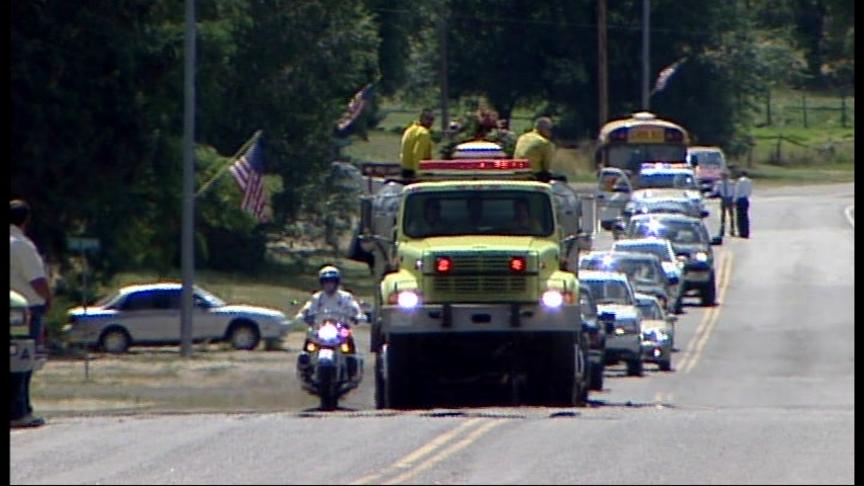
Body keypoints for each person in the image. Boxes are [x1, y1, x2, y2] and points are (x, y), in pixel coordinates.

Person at [10, 199, 51, 428]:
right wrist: (48, 299)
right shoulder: (21, 245)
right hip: (26, 309)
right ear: (26, 219)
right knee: (25, 360)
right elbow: (36, 279)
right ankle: (21, 410)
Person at [296, 266, 367, 326]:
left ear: (337, 283)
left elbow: (354, 309)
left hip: (341, 328)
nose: (329, 284)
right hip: (320, 328)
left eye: (332, 281)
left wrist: (358, 316)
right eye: (326, 281)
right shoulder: (317, 297)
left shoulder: (345, 296)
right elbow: (307, 309)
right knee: (309, 340)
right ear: (322, 283)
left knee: (349, 339)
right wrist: (302, 316)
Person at [514, 117, 555, 181]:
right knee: (561, 178)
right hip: (533, 176)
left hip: (517, 173)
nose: (551, 132)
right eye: (549, 129)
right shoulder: (544, 143)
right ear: (542, 129)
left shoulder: (522, 137)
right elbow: (548, 166)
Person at [400, 109, 435, 179]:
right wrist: (418, 172)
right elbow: (417, 153)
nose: (430, 122)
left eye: (432, 119)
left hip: (404, 169)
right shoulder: (424, 133)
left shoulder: (409, 130)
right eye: (428, 119)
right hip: (414, 171)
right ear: (421, 118)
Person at [712, 172, 736, 237]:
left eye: (725, 176)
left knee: (731, 215)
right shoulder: (719, 183)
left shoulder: (731, 183)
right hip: (723, 198)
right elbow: (715, 191)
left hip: (730, 198)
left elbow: (734, 191)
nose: (724, 177)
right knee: (723, 215)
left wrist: (734, 200)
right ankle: (722, 230)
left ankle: (732, 229)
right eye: (723, 176)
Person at [735, 171, 753, 238]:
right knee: (745, 216)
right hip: (746, 199)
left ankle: (741, 232)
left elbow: (737, 191)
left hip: (740, 199)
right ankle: (746, 232)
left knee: (740, 217)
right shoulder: (749, 181)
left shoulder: (740, 181)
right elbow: (750, 191)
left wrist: (734, 200)